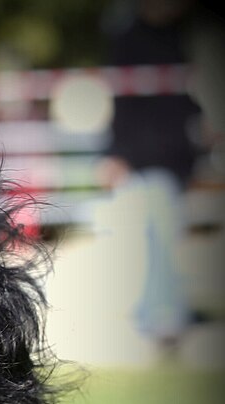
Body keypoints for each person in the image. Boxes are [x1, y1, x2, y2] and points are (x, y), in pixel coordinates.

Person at [98, 0, 203, 353]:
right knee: (155, 239)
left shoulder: (177, 38)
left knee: (161, 239)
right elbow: (123, 105)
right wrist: (117, 153)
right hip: (145, 160)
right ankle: (160, 315)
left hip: (170, 160)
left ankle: (157, 313)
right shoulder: (131, 41)